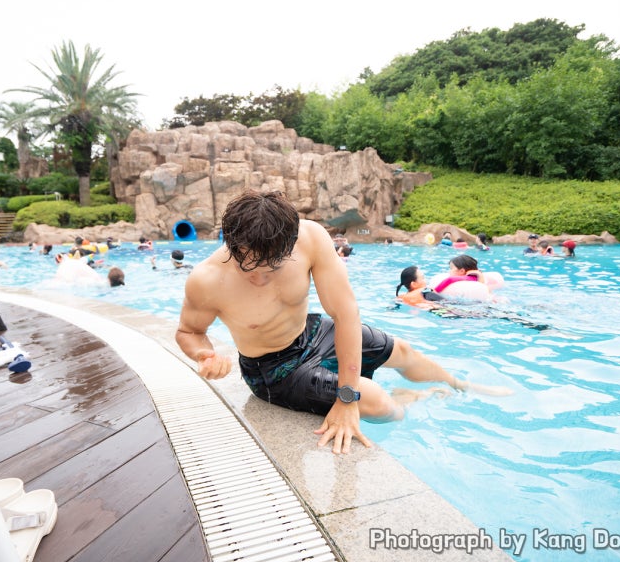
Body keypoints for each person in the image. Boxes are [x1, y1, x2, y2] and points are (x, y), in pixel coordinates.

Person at [175, 190, 508, 455]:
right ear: (232, 246)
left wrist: (345, 398)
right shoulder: (206, 280)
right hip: (273, 369)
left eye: (273, 266)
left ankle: (460, 386)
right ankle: (414, 398)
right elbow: (189, 332)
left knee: (403, 350)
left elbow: (346, 313)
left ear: (291, 244)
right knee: (376, 400)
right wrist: (204, 355)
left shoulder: (310, 238)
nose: (261, 278)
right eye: (250, 267)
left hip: (312, 331)